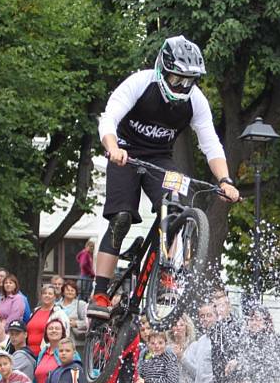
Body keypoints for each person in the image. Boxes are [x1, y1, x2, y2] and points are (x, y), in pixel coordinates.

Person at [87, 35, 240, 320]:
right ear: (162, 69)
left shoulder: (195, 101)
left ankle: (166, 272)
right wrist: (113, 148)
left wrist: (225, 180)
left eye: (189, 81)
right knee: (120, 218)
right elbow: (108, 118)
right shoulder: (140, 83)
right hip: (125, 153)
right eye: (176, 79)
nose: (182, 86)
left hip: (160, 158)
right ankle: (100, 292)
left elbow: (210, 143)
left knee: (176, 205)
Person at [228, 306, 280, 383]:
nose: (254, 323)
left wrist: (239, 364)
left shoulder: (271, 340)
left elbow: (265, 365)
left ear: (266, 322)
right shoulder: (243, 339)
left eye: (258, 319)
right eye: (251, 320)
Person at [209, 289, 243, 383]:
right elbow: (216, 360)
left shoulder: (238, 326)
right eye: (216, 306)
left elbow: (242, 353)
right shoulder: (215, 328)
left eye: (221, 306)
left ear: (228, 306)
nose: (219, 310)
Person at [27, 284, 70, 356]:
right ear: (41, 296)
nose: (47, 295)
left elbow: (65, 335)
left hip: (47, 353)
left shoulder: (59, 314)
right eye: (44, 293)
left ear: (55, 297)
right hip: (29, 353)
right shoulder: (35, 311)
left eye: (50, 294)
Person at [34, 318, 68, 383]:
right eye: (50, 328)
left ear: (62, 333)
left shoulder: (69, 351)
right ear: (46, 333)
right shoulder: (42, 354)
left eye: (57, 328)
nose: (54, 330)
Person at [167, 313, 196, 383]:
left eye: (181, 325)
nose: (178, 328)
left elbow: (197, 374)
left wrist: (182, 357)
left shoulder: (194, 346)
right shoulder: (166, 349)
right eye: (175, 325)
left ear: (187, 327)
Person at [58, 280, 87, 353]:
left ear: (76, 293)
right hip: (59, 342)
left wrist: (76, 323)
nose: (70, 292)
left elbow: (88, 323)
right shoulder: (56, 306)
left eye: (72, 290)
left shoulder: (81, 304)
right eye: (67, 290)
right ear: (63, 292)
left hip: (76, 344)